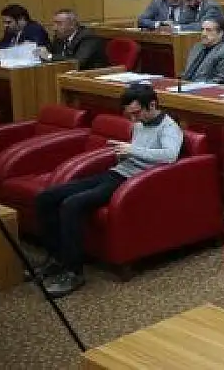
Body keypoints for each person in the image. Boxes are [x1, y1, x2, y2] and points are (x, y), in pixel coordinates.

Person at [33, 83, 182, 297]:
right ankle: (56, 259)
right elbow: (138, 152)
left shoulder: (169, 127)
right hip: (116, 172)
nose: (133, 119)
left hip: (131, 182)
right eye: (129, 114)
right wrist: (125, 152)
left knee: (72, 205)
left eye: (136, 113)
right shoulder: (139, 123)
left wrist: (132, 150)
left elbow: (169, 156)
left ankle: (74, 272)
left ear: (152, 105)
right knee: (46, 198)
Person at [37, 9, 108, 70]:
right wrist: (41, 51)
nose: (54, 28)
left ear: (72, 24)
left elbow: (77, 62)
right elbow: (50, 52)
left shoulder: (89, 37)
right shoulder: (59, 37)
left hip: (89, 75)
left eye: (59, 24)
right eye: (54, 24)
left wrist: (49, 56)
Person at [180, 19, 224, 84]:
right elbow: (187, 73)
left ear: (220, 33)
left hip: (205, 87)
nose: (204, 34)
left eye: (208, 30)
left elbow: (222, 79)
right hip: (186, 85)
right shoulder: (197, 47)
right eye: (202, 29)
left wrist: (197, 86)